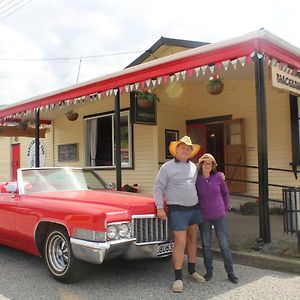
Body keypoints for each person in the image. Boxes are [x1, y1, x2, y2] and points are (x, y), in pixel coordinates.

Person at [153, 136, 205, 293]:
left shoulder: (194, 167)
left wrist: (220, 176)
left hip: (194, 207)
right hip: (177, 209)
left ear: (191, 152)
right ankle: (178, 278)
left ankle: (192, 270)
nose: (186, 150)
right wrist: (159, 207)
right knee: (180, 241)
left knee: (191, 239)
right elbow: (158, 187)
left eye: (188, 149)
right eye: (183, 148)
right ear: (176, 150)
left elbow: (204, 179)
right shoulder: (167, 167)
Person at [196, 153, 238, 284]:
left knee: (224, 245)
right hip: (204, 217)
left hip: (219, 215)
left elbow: (225, 194)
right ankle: (208, 271)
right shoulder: (196, 180)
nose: (208, 165)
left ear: (213, 165)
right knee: (206, 245)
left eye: (210, 163)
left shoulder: (218, 177)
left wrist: (224, 208)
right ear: (201, 164)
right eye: (206, 163)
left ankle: (230, 272)